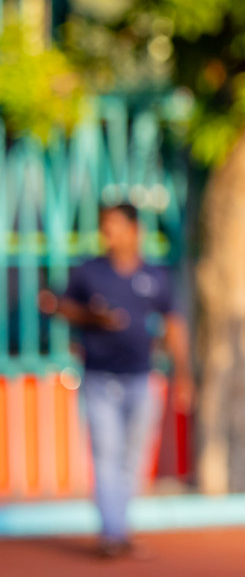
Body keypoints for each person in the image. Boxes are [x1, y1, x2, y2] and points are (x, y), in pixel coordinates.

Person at [40, 203, 192, 557]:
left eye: (116, 226)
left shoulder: (156, 274)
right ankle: (112, 534)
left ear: (135, 230)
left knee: (133, 457)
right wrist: (92, 317)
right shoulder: (89, 271)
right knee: (106, 452)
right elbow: (57, 305)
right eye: (105, 226)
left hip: (141, 379)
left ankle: (119, 526)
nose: (109, 233)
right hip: (98, 378)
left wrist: (183, 373)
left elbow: (174, 323)